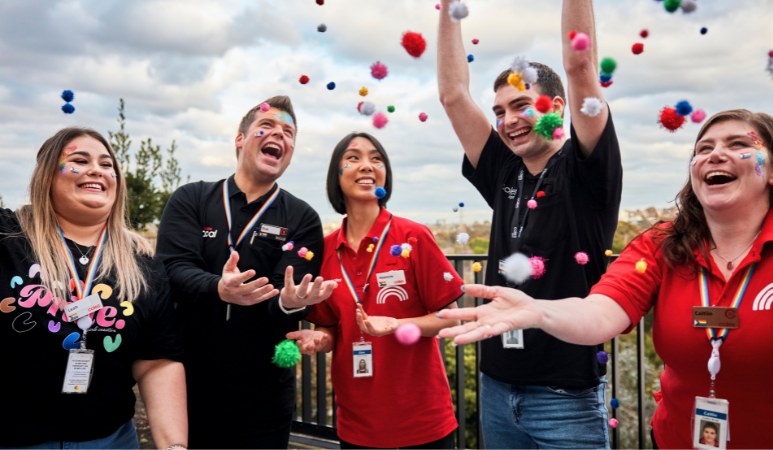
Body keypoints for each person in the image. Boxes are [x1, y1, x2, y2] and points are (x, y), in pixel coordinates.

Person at [438, 109, 773, 448]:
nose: (715, 154)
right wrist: (538, 313)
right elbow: (599, 314)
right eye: (704, 148)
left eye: (738, 145)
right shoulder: (661, 245)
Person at [437, 0, 621, 447]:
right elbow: (453, 95)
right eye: (499, 111)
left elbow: (579, 65)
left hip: (566, 397)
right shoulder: (504, 170)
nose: (507, 121)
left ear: (557, 106)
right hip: (497, 386)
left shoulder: (586, 168)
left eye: (521, 105)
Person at [156, 95, 336, 449]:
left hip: (264, 388)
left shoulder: (302, 217)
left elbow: (288, 295)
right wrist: (217, 288)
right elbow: (171, 269)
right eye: (266, 126)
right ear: (240, 138)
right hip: (189, 378)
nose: (279, 135)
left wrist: (289, 302)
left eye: (288, 132)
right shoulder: (191, 199)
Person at [0, 127, 187, 449]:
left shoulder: (142, 264)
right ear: (46, 175)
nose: (96, 170)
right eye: (79, 160)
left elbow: (157, 361)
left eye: (106, 164)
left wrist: (174, 446)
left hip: (111, 440)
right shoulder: (7, 238)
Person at [287, 132, 463, 449]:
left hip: (423, 421)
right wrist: (319, 339)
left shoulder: (413, 236)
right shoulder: (325, 250)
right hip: (357, 425)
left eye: (376, 158)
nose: (367, 165)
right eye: (353, 158)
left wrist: (397, 325)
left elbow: (450, 318)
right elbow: (329, 325)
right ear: (335, 176)